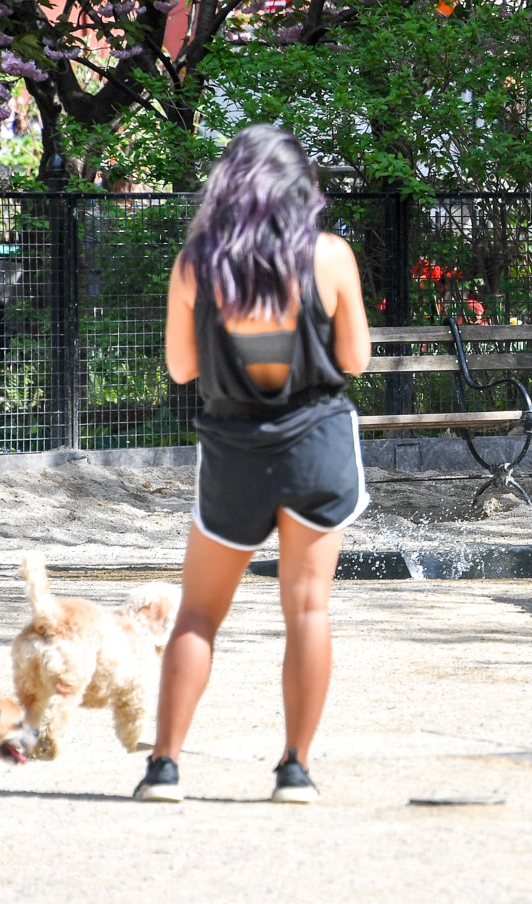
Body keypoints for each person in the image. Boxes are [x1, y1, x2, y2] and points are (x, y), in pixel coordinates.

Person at [135, 125, 372, 803]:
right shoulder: (330, 256)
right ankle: (295, 770)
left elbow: (181, 367)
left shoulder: (197, 263)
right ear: (302, 188)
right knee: (309, 610)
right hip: (316, 447)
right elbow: (355, 361)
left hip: (234, 451)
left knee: (198, 615)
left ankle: (164, 769)